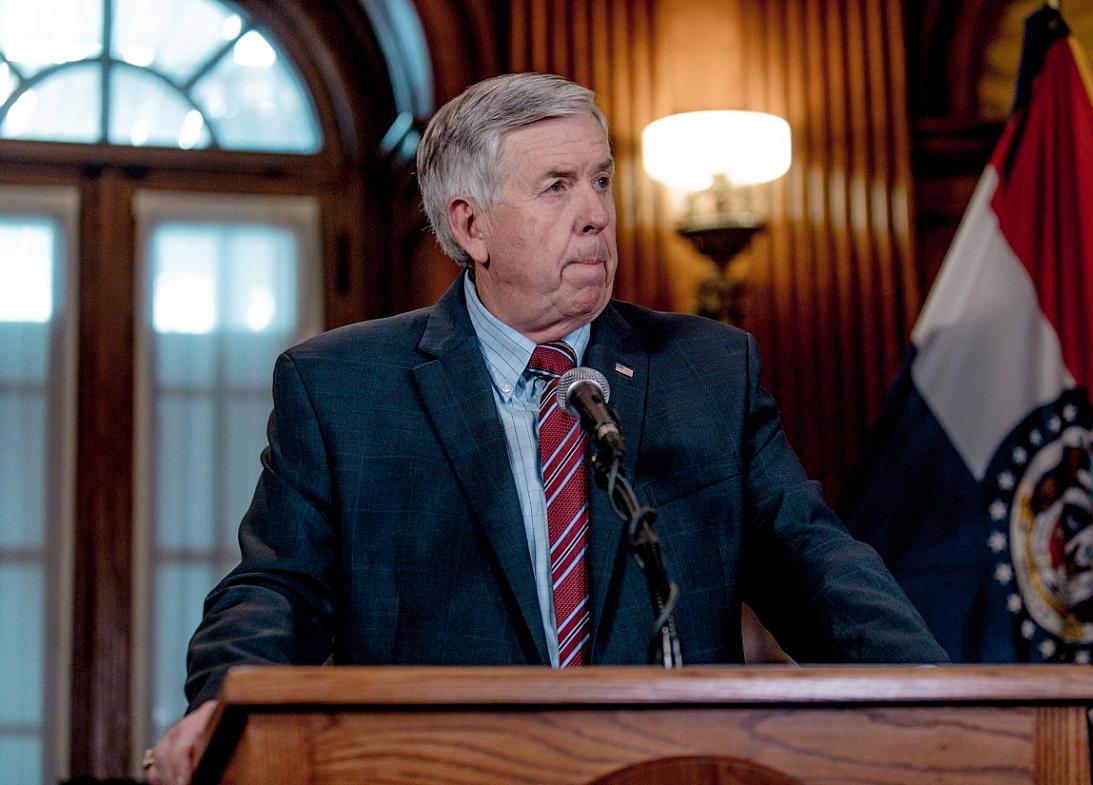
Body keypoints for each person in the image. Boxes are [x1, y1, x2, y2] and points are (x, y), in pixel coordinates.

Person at [146, 72, 945, 785]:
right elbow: (277, 588)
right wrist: (223, 706)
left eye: (601, 179)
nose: (596, 214)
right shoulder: (343, 388)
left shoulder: (707, 370)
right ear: (472, 227)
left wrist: (941, 698)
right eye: (557, 187)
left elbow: (814, 564)